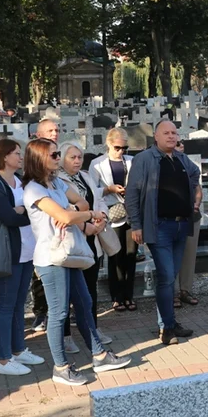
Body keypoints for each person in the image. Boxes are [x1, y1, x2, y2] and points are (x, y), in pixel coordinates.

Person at [24, 138, 128, 385]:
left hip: (68, 253)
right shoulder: (33, 189)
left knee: (84, 302)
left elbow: (80, 202)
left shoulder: (57, 182)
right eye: (53, 155)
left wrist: (78, 214)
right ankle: (61, 368)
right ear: (39, 159)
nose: (57, 158)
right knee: (59, 313)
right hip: (51, 258)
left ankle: (99, 354)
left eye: (58, 154)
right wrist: (88, 215)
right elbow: (65, 215)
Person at [125, 120, 200, 345]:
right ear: (156, 137)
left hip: (180, 225)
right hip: (160, 227)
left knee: (171, 277)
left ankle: (169, 322)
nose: (171, 136)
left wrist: (193, 202)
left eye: (174, 133)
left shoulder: (180, 158)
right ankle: (166, 327)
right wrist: (136, 225)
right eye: (166, 133)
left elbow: (195, 175)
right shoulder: (144, 159)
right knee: (166, 276)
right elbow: (132, 194)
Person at [0, 139, 45, 376]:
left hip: (26, 250)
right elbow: (7, 218)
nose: (20, 157)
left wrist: (23, 211)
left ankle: (19, 350)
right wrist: (29, 213)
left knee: (20, 303)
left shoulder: (18, 180)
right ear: (4, 156)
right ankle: (3, 359)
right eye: (16, 153)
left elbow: (20, 211)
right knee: (7, 305)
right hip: (9, 252)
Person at [59, 143, 114, 346]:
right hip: (73, 239)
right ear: (62, 159)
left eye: (80, 157)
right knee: (67, 291)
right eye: (72, 157)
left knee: (91, 289)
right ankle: (65, 335)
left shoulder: (85, 176)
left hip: (93, 239)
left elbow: (98, 200)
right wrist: (84, 225)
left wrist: (103, 220)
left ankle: (93, 328)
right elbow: (66, 209)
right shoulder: (57, 180)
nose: (77, 161)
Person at [89, 127, 138, 312]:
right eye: (117, 147)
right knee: (115, 255)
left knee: (131, 255)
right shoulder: (97, 164)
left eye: (125, 148)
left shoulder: (132, 161)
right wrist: (109, 189)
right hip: (112, 213)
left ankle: (129, 295)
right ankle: (116, 295)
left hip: (131, 213)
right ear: (109, 144)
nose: (121, 151)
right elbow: (92, 190)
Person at [28, 119, 61, 332]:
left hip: (61, 231)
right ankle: (41, 313)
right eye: (50, 130)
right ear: (38, 134)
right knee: (39, 278)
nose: (55, 133)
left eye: (57, 129)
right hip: (40, 231)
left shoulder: (57, 157)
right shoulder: (33, 161)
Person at [173, 139, 200, 308]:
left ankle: (185, 289)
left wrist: (197, 202)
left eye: (181, 143)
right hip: (170, 216)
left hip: (190, 214)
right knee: (172, 255)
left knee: (189, 254)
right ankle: (173, 292)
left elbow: (197, 186)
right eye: (176, 144)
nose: (180, 146)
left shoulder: (188, 163)